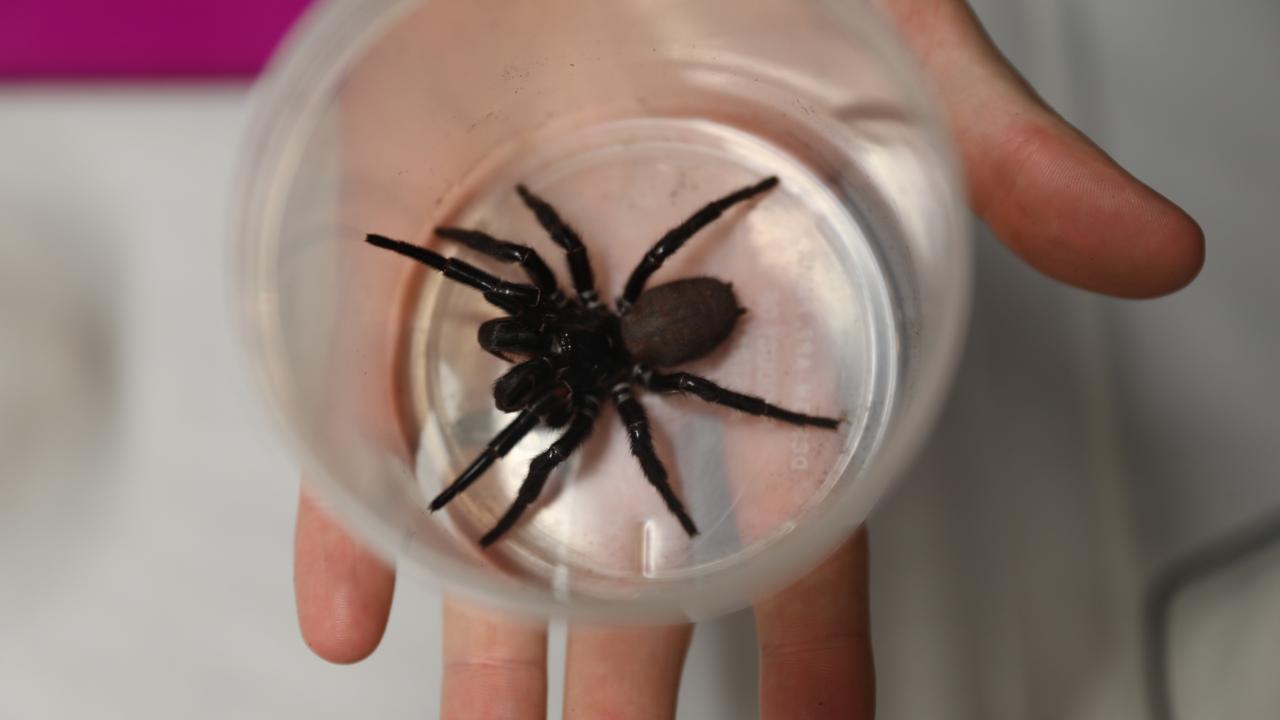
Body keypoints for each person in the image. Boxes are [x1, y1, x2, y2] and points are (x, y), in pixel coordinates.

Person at [292, 0, 1205, 717]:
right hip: (650, 329)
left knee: (578, 307)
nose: (521, 359)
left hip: (672, 325)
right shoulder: (581, 335)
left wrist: (483, 498)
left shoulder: (589, 368)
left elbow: (540, 332)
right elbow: (542, 299)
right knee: (568, 296)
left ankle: (794, 408)